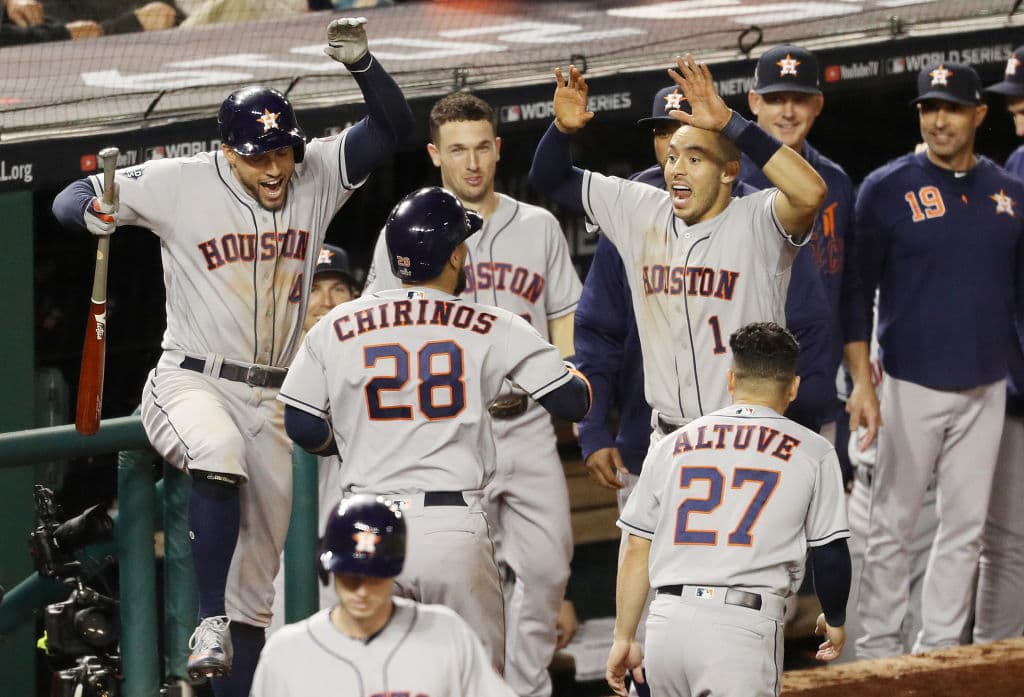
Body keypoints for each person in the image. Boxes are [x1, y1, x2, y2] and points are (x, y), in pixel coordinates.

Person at [51, 17, 413, 697]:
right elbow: (74, 196)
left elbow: (391, 130)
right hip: (192, 379)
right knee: (215, 451)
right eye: (259, 155)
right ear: (228, 148)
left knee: (259, 597)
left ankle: (228, 634)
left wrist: (364, 65)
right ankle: (205, 619)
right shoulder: (180, 180)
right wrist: (87, 214)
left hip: (276, 399)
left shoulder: (315, 173)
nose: (276, 169)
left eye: (283, 152)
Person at [277, 186, 592, 676]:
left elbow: (301, 422)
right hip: (450, 527)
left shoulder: (338, 323)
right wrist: (573, 373)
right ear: (455, 256)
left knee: (374, 677)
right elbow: (572, 402)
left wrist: (347, 444)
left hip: (367, 522)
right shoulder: (491, 323)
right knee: (471, 681)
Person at [363, 91, 582, 697]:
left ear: (498, 147)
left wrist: (562, 370)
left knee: (546, 568)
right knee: (458, 577)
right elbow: (381, 324)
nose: (473, 162)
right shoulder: (403, 232)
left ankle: (527, 686)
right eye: (458, 150)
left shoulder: (536, 226)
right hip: (449, 428)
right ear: (435, 155)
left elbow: (564, 313)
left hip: (527, 421)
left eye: (482, 146)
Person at [530, 55, 827, 447]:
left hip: (747, 437)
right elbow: (549, 177)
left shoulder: (758, 218)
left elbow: (811, 193)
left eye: (694, 158)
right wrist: (560, 129)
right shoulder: (638, 207)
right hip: (667, 438)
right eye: (671, 157)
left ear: (728, 171)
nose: (677, 169)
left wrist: (731, 124)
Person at [854, 62, 1024, 658]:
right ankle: (876, 652)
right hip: (909, 382)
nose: (939, 119)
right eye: (929, 108)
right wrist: (861, 382)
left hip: (985, 385)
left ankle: (942, 653)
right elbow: (856, 293)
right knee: (891, 528)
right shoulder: (885, 187)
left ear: (979, 114)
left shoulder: (1010, 193)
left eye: (952, 108)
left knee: (965, 530)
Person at [607, 321, 850, 697]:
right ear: (794, 387)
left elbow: (638, 544)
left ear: (731, 380)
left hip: (666, 627)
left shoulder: (672, 445)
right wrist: (834, 617)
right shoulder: (812, 451)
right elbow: (830, 552)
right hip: (740, 633)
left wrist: (624, 634)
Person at [740, 44, 877, 444]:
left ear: (817, 104)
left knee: (816, 503)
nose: (787, 111)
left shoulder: (834, 182)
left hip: (816, 384)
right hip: (743, 387)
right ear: (753, 102)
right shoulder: (728, 179)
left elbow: (850, 293)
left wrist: (862, 382)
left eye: (799, 99)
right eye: (775, 99)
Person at [251, 495, 518, 696]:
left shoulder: (447, 634)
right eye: (352, 578)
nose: (363, 591)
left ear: (394, 572)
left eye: (374, 578)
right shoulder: (286, 653)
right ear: (329, 570)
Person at [268, 242, 361, 634]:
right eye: (313, 289)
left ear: (355, 298)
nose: (325, 301)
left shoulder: (373, 363)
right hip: (280, 542)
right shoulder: (266, 365)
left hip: (352, 531)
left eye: (337, 289)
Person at [970, 47, 1024, 644]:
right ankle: (995, 665)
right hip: (1015, 382)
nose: (1015, 103)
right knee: (1006, 539)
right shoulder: (1017, 170)